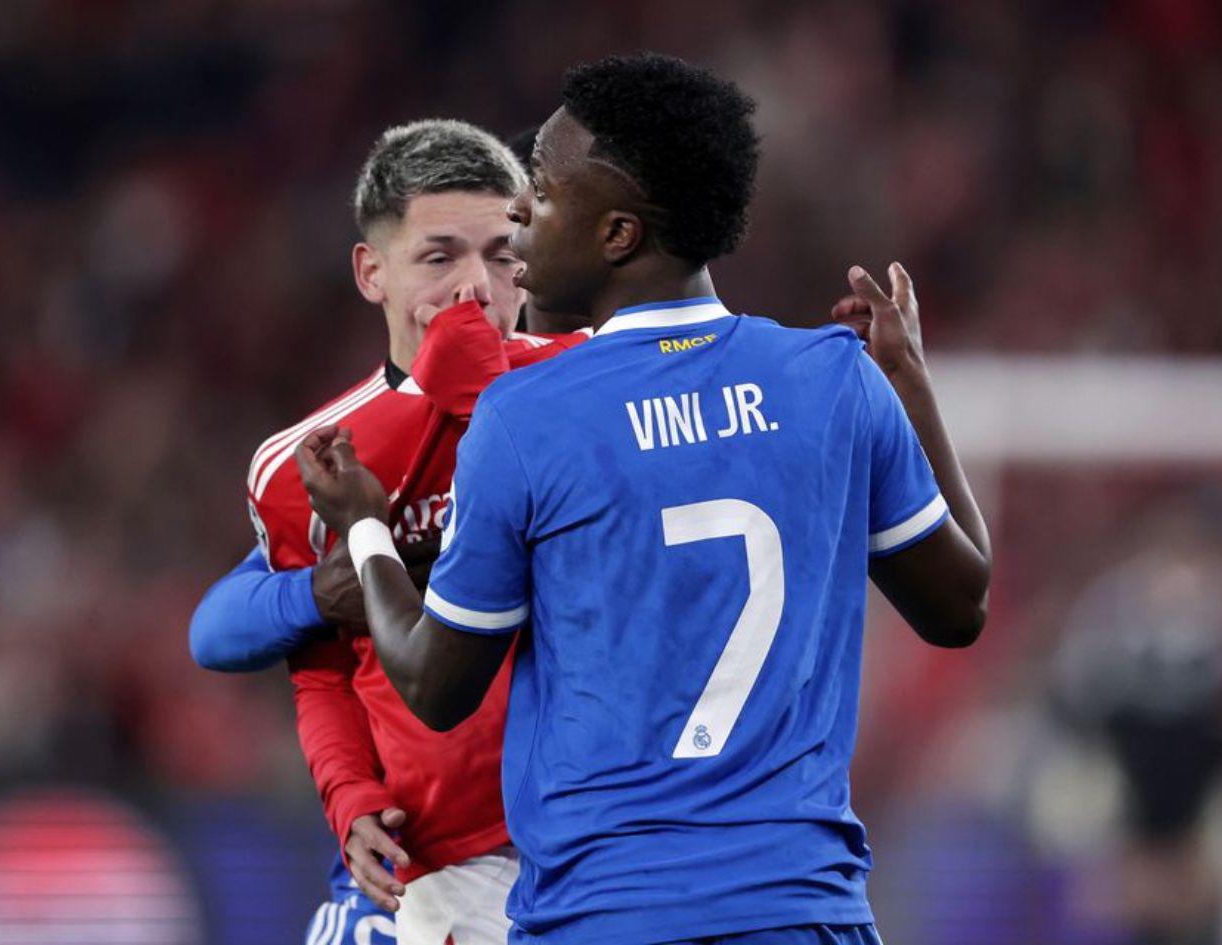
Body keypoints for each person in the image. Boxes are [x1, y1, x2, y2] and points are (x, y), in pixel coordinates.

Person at [297, 53, 991, 944]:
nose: (519, 212)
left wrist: (364, 528)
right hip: (802, 911)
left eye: (543, 191)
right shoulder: (835, 380)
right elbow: (960, 605)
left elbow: (435, 685)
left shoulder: (527, 415)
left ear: (618, 234)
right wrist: (912, 385)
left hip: (607, 913)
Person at [188, 119, 587, 945]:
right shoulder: (313, 462)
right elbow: (318, 670)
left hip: (597, 850)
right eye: (439, 258)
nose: (475, 287)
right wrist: (349, 797)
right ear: (372, 272)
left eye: (502, 255)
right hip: (431, 867)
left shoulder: (592, 388)